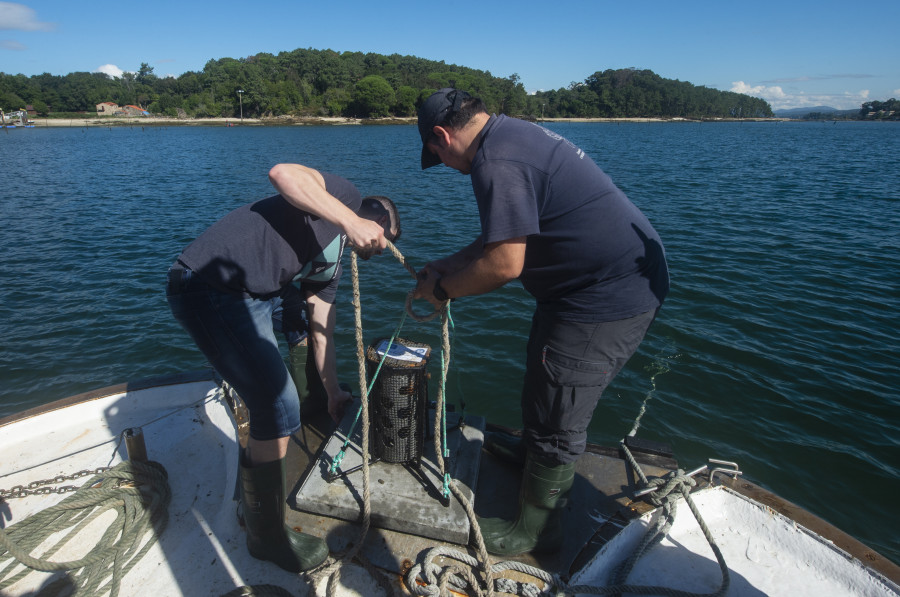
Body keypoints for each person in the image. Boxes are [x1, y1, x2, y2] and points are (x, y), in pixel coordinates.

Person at [413, 88, 668, 556]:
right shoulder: (510, 136)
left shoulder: (496, 162)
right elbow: (506, 234)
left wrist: (443, 291)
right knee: (544, 371)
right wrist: (450, 263)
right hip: (583, 288)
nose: (446, 167)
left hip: (605, 297)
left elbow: (506, 264)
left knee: (560, 399)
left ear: (441, 136)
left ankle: (537, 530)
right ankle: (534, 454)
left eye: (437, 157)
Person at [166, 164, 400, 572]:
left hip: (258, 295)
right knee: (276, 407)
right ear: (377, 221)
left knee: (299, 322)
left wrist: (333, 394)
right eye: (385, 237)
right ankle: (266, 535)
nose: (379, 247)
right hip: (209, 286)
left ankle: (306, 404)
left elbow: (322, 331)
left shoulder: (330, 267)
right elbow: (282, 173)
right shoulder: (344, 195)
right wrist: (350, 218)